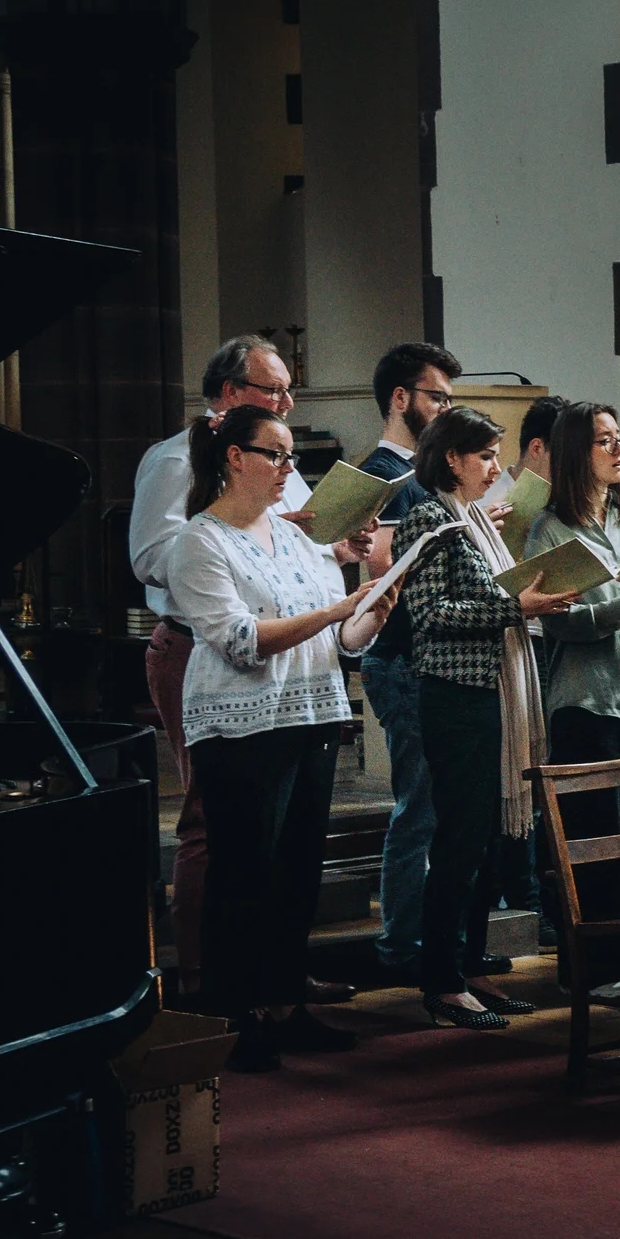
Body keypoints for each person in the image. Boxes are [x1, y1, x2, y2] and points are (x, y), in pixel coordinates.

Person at [168, 406, 397, 1071]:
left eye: (292, 456)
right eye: (276, 454)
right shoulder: (200, 541)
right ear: (235, 457)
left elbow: (340, 639)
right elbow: (241, 642)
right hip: (241, 725)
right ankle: (235, 1016)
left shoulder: (296, 538)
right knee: (245, 874)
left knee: (297, 874)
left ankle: (286, 1005)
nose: (289, 469)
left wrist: (371, 609)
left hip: (311, 715)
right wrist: (335, 609)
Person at [129, 334, 338, 1000]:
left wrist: (329, 539)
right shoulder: (173, 461)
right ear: (225, 394)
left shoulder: (274, 452)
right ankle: (203, 981)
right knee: (208, 821)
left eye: (286, 391)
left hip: (287, 645)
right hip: (203, 641)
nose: (285, 401)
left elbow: (292, 536)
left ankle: (275, 973)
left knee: (283, 832)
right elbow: (152, 554)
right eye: (270, 389)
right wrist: (232, 552)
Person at [390, 407, 576, 1030]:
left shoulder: (473, 519)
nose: (498, 468)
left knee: (491, 843)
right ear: (453, 459)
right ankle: (440, 981)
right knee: (460, 841)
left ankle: (468, 968)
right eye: (487, 456)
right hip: (457, 694)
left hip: (495, 692)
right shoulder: (428, 516)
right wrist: (512, 606)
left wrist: (524, 603)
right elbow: (430, 614)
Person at [525, 400, 620, 935]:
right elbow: (563, 623)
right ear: (574, 451)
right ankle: (593, 956)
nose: (618, 450)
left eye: (619, 439)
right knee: (593, 838)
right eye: (605, 440)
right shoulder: (550, 529)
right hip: (588, 699)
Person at [351, 341, 458, 982]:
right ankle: (400, 949)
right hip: (400, 657)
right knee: (416, 809)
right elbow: (382, 568)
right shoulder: (383, 474)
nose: (445, 407)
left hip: (429, 657)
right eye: (436, 396)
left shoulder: (420, 474)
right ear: (401, 398)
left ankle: (433, 943)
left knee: (435, 808)